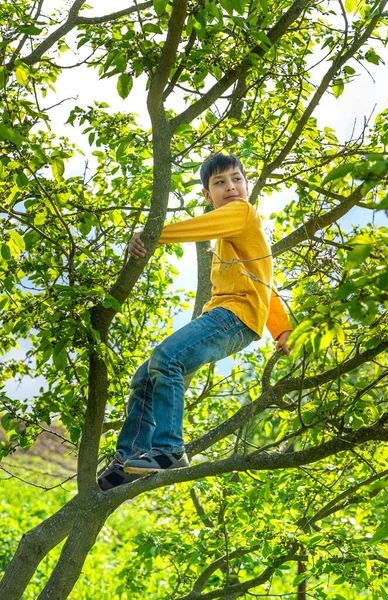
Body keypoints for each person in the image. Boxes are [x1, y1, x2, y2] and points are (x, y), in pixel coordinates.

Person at [98, 153, 292, 490]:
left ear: (246, 184)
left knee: (166, 358)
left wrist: (151, 233)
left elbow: (193, 229)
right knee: (144, 378)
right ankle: (128, 461)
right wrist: (282, 329)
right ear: (206, 194)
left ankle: (170, 449)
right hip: (228, 318)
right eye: (220, 182)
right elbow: (265, 282)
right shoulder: (228, 230)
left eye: (236, 179)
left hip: (234, 317)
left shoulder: (242, 212)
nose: (230, 187)